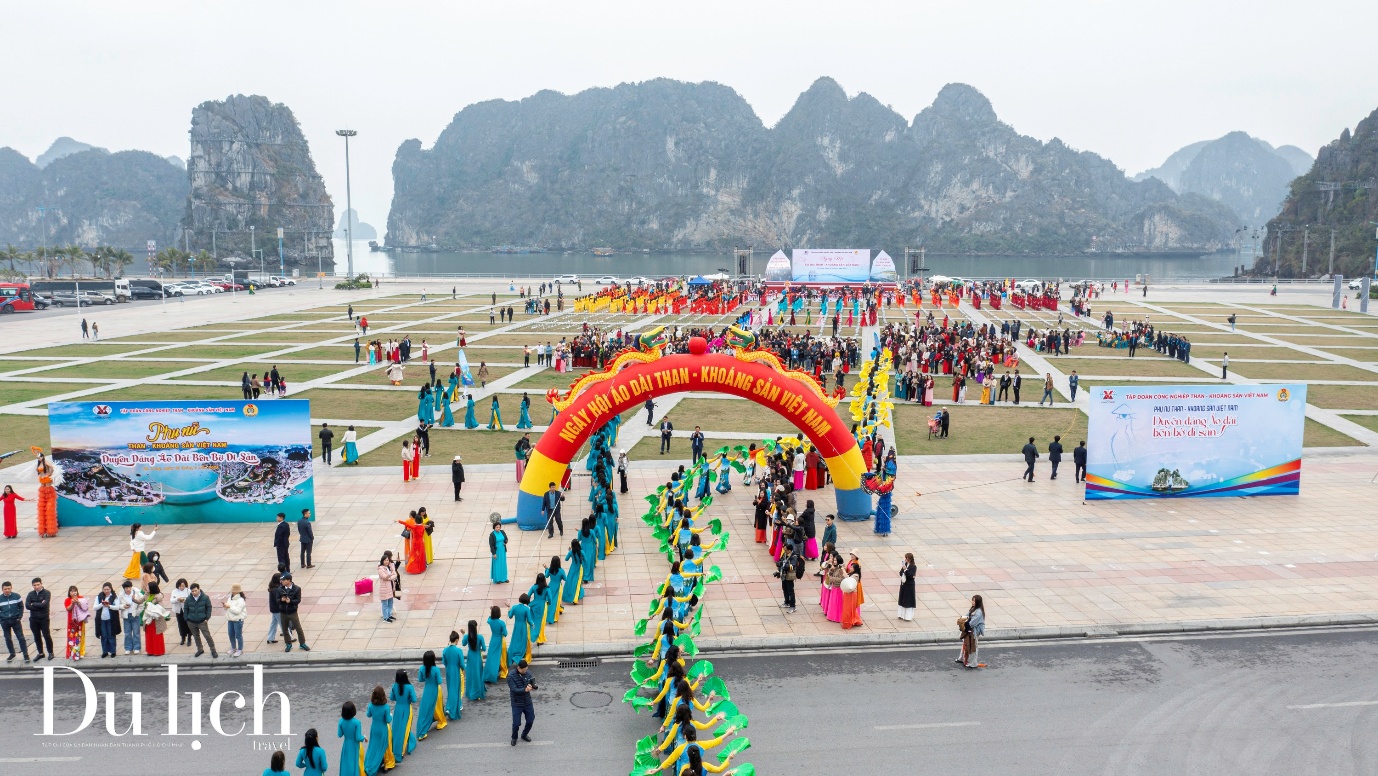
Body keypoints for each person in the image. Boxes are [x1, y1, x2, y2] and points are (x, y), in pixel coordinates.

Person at [417, 650, 447, 740]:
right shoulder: (436, 669)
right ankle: (440, 720)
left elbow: (420, 680)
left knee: (425, 709)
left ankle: (422, 730)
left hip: (427, 690)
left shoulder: (422, 668)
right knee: (437, 707)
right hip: (435, 690)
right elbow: (439, 681)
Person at [389, 669, 418, 761]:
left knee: (397, 728)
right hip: (406, 709)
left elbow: (391, 697)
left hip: (397, 709)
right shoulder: (409, 687)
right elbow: (414, 700)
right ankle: (400, 750)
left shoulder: (394, 686)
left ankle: (394, 745)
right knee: (405, 727)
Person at [275, 573, 309, 652]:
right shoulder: (280, 589)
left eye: (283, 580)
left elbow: (298, 600)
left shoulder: (297, 589)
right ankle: (288, 644)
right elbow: (277, 600)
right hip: (283, 612)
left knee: (298, 628)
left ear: (289, 580)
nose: (281, 581)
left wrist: (290, 601)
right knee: (285, 629)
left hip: (292, 612)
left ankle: (302, 643)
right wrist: (281, 600)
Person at [363, 687, 393, 775]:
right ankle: (379, 766)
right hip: (382, 729)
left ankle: (368, 764)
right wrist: (391, 715)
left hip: (374, 728)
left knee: (373, 747)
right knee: (382, 748)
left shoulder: (371, 705)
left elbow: (368, 715)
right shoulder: (386, 707)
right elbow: (388, 720)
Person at [508, 659, 538, 746]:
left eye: (526, 669)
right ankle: (514, 737)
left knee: (530, 720)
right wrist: (525, 690)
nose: (525, 672)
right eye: (523, 670)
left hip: (527, 701)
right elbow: (514, 690)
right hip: (517, 703)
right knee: (516, 723)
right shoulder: (511, 677)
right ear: (518, 668)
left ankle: (524, 734)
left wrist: (534, 686)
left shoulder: (528, 673)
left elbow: (533, 682)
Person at [184, 582, 217, 658]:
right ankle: (200, 649)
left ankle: (213, 650)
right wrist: (187, 619)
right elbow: (186, 609)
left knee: (207, 636)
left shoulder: (205, 597)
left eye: (195, 590)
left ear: (199, 589)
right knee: (196, 636)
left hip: (202, 621)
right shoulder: (188, 599)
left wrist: (207, 618)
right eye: (192, 591)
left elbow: (209, 607)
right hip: (191, 621)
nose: (194, 592)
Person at [2, 580, 31, 662]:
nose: (7, 590)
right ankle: (12, 653)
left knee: (21, 637)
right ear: (2, 589)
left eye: (8, 588)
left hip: (15, 620)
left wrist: (20, 616)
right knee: (7, 638)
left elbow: (21, 606)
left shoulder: (16, 596)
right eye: (5, 589)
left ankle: (25, 654)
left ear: (11, 588)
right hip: (5, 621)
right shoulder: (0, 599)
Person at [337, 701, 366, 776]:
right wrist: (364, 737)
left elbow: (339, 734)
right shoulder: (357, 722)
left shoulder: (341, 722)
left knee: (346, 762)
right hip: (355, 745)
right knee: (355, 762)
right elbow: (358, 737)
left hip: (346, 744)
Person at [27, 578, 53, 660]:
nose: (36, 587)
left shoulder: (47, 593)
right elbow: (27, 606)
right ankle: (40, 653)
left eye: (38, 584)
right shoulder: (30, 594)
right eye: (34, 585)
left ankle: (50, 652)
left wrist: (33, 604)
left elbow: (45, 605)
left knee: (46, 635)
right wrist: (38, 605)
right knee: (36, 636)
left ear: (41, 584)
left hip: (44, 618)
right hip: (33, 619)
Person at [957, 594, 986, 668]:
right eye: (972, 600)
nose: (973, 602)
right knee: (965, 644)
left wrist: (964, 624)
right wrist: (962, 619)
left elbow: (972, 622)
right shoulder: (973, 609)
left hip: (974, 631)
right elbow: (967, 616)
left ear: (978, 602)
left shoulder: (979, 612)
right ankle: (962, 658)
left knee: (973, 646)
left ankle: (973, 663)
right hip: (970, 629)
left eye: (974, 601)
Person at [442, 631, 465, 720]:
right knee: (456, 689)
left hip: (448, 671)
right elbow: (462, 664)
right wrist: (463, 669)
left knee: (450, 689)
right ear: (456, 640)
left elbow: (444, 661)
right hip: (456, 670)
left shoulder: (445, 650)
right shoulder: (458, 650)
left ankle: (451, 706)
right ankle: (452, 708)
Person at [462, 620, 487, 700]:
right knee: (478, 673)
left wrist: (463, 634)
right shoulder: (480, 637)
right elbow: (484, 648)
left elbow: (463, 643)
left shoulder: (467, 637)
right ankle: (479, 690)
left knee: (471, 674)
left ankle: (470, 691)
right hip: (477, 656)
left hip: (470, 656)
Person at [116, 580, 142, 654]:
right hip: (126, 616)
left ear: (131, 587)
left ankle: (137, 647)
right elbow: (118, 605)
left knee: (136, 632)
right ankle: (128, 647)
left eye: (129, 587)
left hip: (135, 615)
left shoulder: (137, 594)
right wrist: (123, 606)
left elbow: (141, 605)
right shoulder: (121, 596)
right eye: (126, 588)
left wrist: (137, 612)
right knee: (127, 633)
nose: (128, 589)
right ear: (124, 588)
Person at [141, 581, 167, 657]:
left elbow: (161, 607)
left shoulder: (158, 596)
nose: (146, 588)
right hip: (149, 619)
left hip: (156, 619)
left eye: (148, 587)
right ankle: (150, 651)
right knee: (149, 635)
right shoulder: (146, 595)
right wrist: (133, 599)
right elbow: (140, 600)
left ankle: (158, 651)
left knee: (157, 635)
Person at [775, 545, 803, 613]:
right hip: (784, 575)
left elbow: (791, 566)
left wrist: (783, 565)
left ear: (790, 550)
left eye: (786, 550)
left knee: (790, 591)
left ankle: (793, 606)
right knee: (785, 589)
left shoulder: (794, 557)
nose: (784, 551)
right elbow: (780, 561)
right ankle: (787, 602)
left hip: (789, 576)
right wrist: (780, 564)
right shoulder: (785, 554)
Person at [63, 586, 89, 660]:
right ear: (69, 592)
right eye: (72, 591)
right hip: (71, 622)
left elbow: (85, 607)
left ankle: (80, 652)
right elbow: (68, 609)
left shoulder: (81, 598)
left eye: (75, 591)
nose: (74, 592)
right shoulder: (67, 600)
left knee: (79, 637)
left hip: (79, 621)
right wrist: (72, 603)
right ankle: (71, 653)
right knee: (71, 638)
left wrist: (78, 602)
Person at [840, 551, 864, 630]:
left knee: (848, 608)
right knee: (850, 608)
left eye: (852, 568)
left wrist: (844, 571)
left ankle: (848, 623)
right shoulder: (852, 571)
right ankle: (856, 620)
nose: (850, 568)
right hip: (848, 593)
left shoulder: (855, 575)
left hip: (851, 593)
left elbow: (849, 580)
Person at [223, 584, 247, 657]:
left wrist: (229, 606)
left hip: (238, 620)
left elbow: (237, 611)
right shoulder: (230, 598)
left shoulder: (241, 600)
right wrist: (225, 606)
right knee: (231, 634)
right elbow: (227, 608)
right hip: (230, 619)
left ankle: (240, 649)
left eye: (234, 591)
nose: (232, 592)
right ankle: (233, 648)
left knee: (238, 635)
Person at [378, 552, 398, 623]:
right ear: (382, 561)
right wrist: (390, 575)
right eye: (385, 560)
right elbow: (384, 577)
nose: (387, 561)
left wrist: (390, 575)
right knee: (385, 604)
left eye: (387, 560)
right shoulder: (381, 569)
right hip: (384, 589)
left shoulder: (389, 567)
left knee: (390, 603)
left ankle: (389, 615)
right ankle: (385, 617)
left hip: (390, 588)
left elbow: (395, 574)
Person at [171, 578, 191, 646]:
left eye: (183, 586)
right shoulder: (174, 591)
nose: (182, 587)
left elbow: (191, 599)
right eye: (180, 586)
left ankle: (189, 638)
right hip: (179, 611)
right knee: (180, 624)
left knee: (188, 624)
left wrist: (185, 600)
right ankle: (183, 637)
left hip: (186, 610)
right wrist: (177, 599)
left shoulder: (188, 591)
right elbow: (172, 600)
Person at [897, 553, 917, 621]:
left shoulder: (913, 567)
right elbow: (900, 573)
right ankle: (901, 614)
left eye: (907, 558)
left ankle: (907, 616)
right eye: (905, 558)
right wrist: (903, 570)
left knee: (908, 600)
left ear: (910, 559)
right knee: (902, 599)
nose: (906, 560)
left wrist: (905, 570)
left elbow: (911, 575)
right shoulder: (905, 564)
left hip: (909, 585)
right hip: (904, 585)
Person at [489, 518, 509, 583]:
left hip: (502, 550)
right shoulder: (492, 535)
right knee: (497, 565)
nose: (498, 528)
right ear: (494, 527)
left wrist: (505, 542)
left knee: (503, 564)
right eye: (497, 527)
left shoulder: (502, 532)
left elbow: (506, 539)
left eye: (499, 527)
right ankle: (497, 579)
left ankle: (504, 578)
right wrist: (494, 553)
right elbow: (491, 545)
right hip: (497, 551)